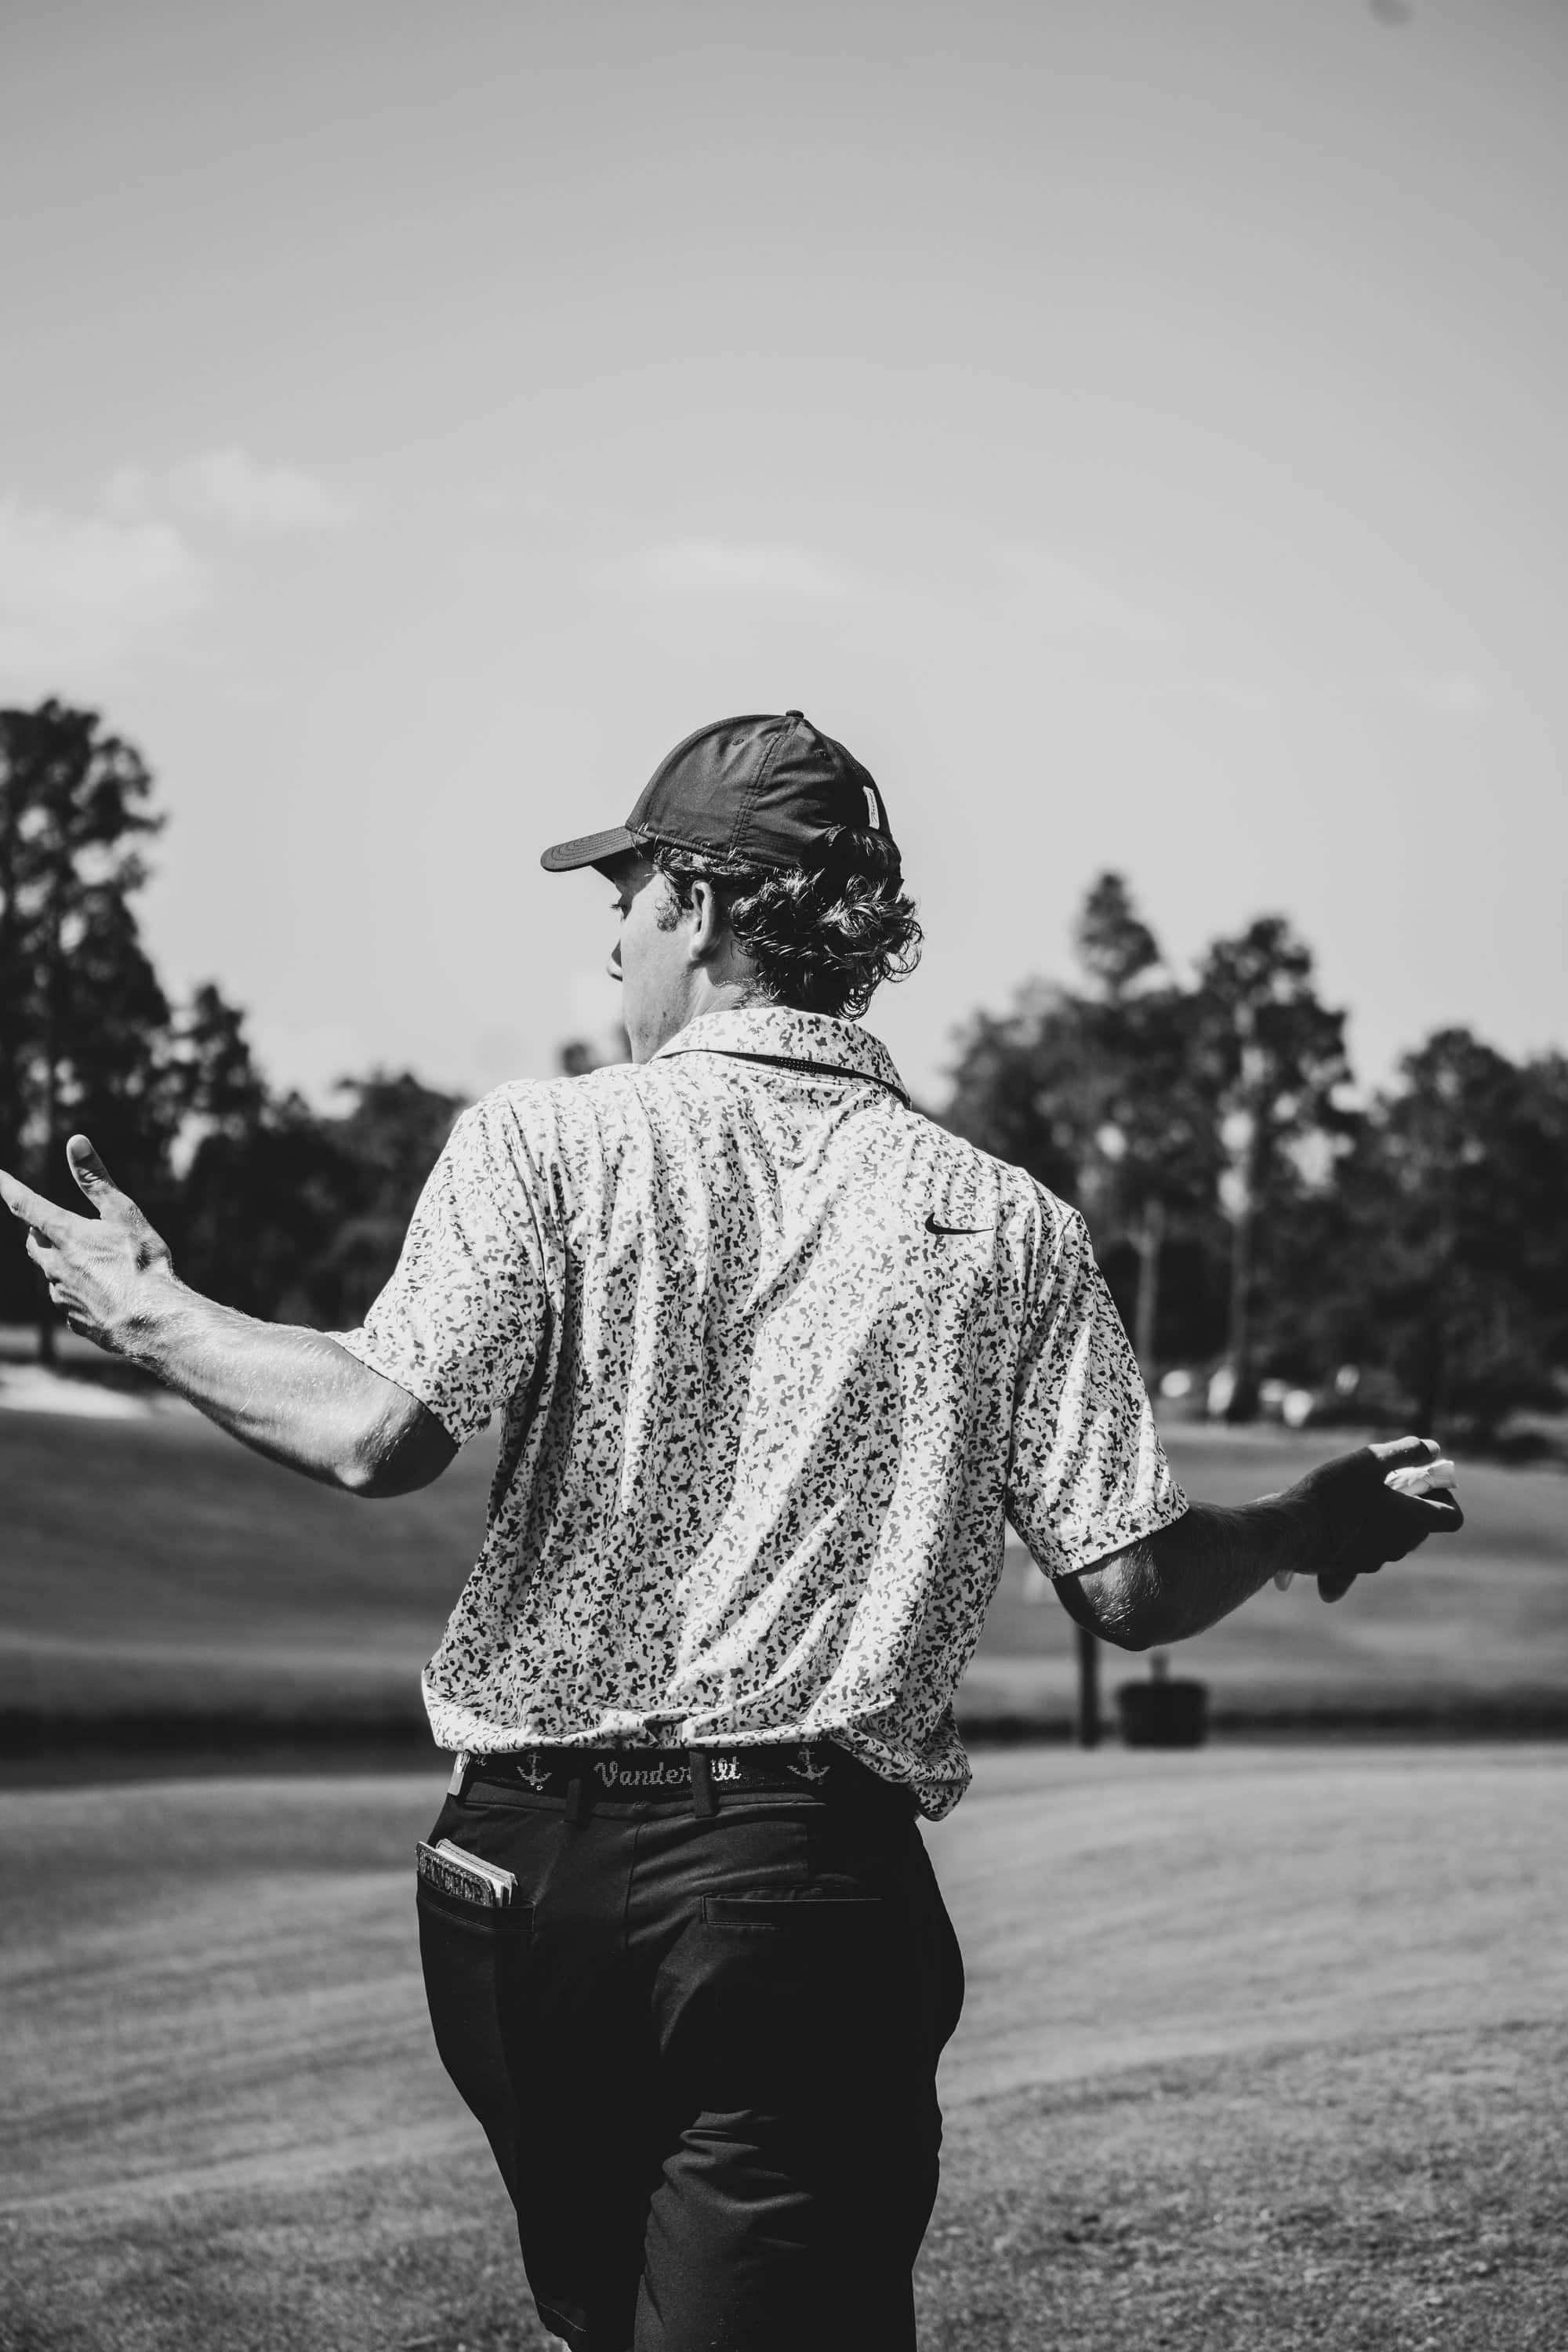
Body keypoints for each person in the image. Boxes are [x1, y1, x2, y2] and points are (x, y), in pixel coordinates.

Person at [1, 709, 1462, 2352]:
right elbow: (1125, 1584)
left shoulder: (543, 1139)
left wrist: (150, 1311)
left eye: (621, 904)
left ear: (696, 909)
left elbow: (368, 1428)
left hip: (512, 1885)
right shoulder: (1007, 1219)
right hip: (794, 1896)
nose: (612, 943)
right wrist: (1288, 1523)